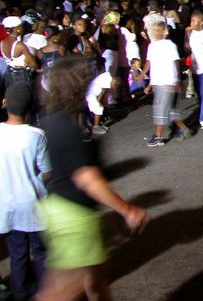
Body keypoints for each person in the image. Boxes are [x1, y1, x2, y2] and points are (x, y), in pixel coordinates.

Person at [37, 56, 149, 301]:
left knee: (96, 282)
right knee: (62, 292)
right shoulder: (67, 128)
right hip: (73, 215)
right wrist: (127, 209)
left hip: (65, 209)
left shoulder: (54, 119)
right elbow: (87, 178)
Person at [0, 82, 49, 301]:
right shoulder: (36, 135)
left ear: (4, 103)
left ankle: (20, 293)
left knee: (17, 253)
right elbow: (47, 171)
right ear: (31, 108)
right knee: (40, 251)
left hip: (7, 205)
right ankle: (45, 292)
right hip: (33, 204)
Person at [143, 22, 191, 146]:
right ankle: (184, 129)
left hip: (168, 81)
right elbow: (149, 63)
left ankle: (158, 136)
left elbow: (176, 62)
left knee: (161, 109)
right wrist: (145, 77)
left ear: (165, 32)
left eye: (160, 30)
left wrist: (178, 80)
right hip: (157, 82)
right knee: (169, 110)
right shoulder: (152, 46)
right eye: (155, 30)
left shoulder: (170, 45)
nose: (157, 33)